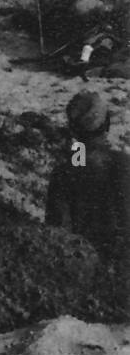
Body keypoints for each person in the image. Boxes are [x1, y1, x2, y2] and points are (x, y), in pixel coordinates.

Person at [45, 90, 130, 318]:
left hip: (90, 276)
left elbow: (57, 232)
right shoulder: (123, 163)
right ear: (108, 123)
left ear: (72, 128)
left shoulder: (66, 171)